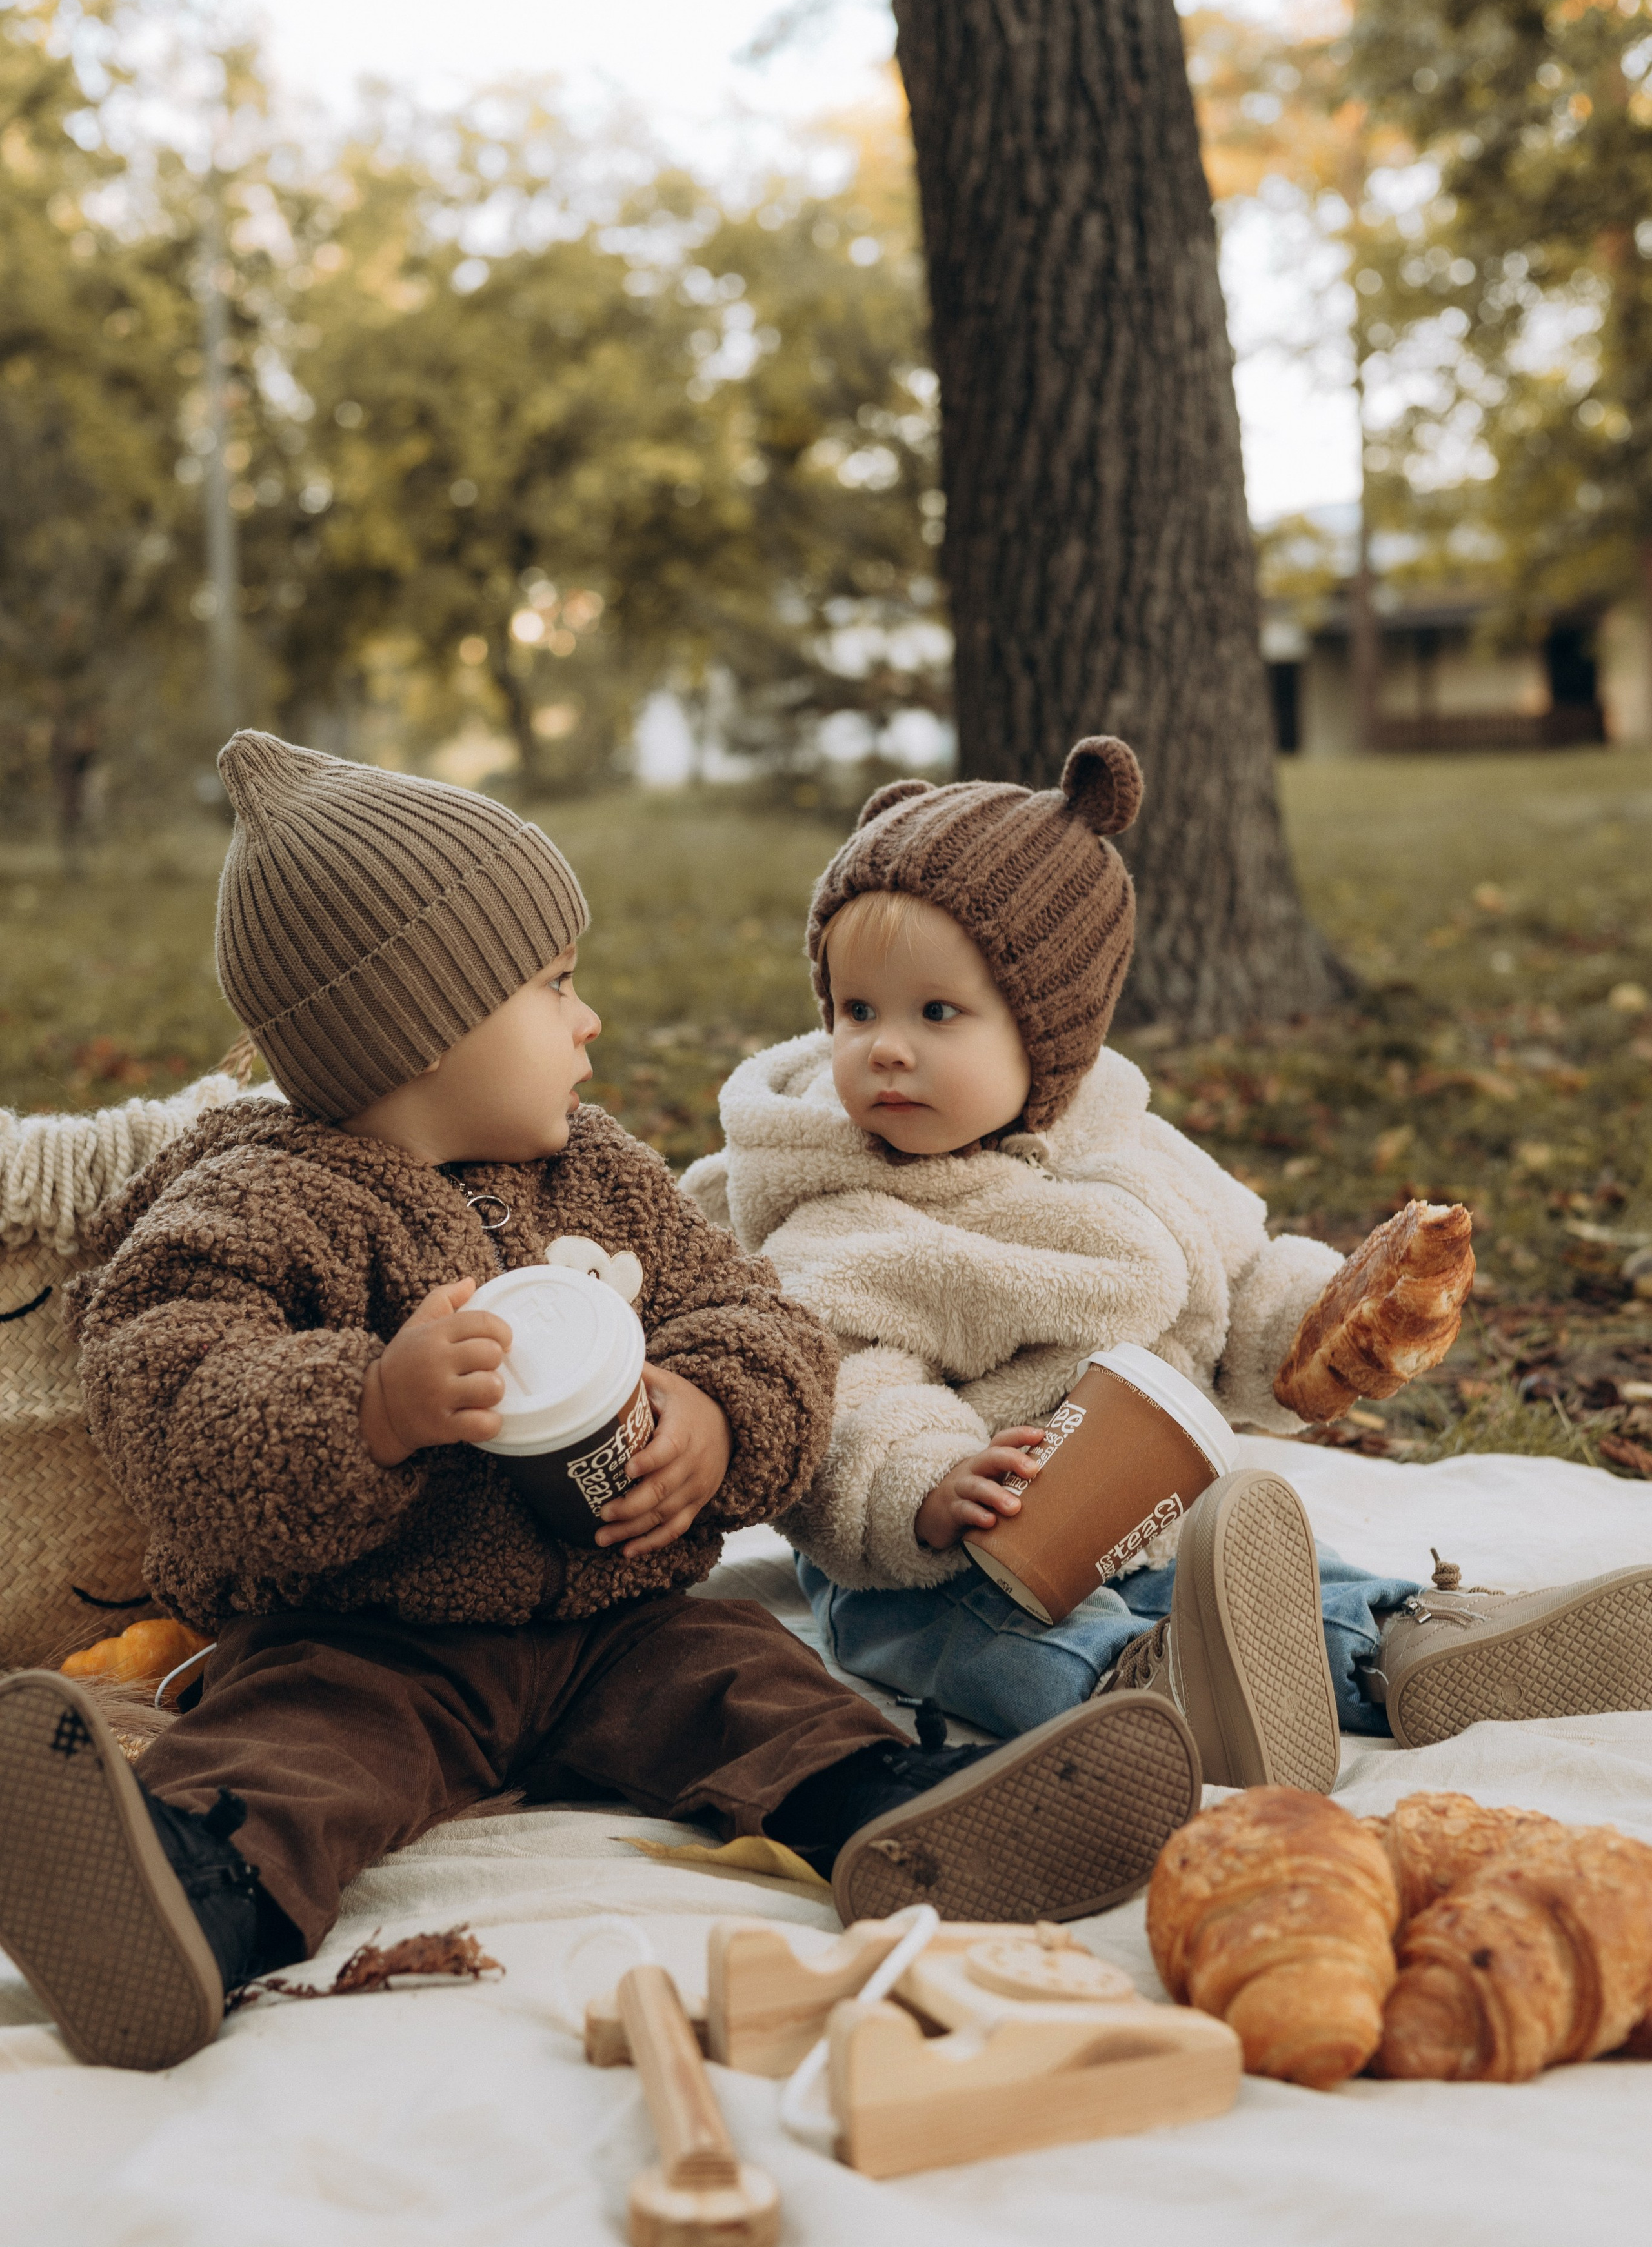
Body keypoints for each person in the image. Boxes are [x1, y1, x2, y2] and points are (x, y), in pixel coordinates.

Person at [0, 733, 1204, 2075]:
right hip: (369, 1638)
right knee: (290, 1761)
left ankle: (900, 1812)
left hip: (616, 1620)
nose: (588, 1023)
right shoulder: (250, 1202)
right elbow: (165, 1395)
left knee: (755, 1686)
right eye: (554, 987)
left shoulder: (597, 1171)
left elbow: (755, 1317)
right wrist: (369, 1406)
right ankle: (177, 1901)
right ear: (421, 1025)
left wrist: (711, 1415)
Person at [683, 739, 1652, 1778]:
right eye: (857, 1011)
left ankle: (1403, 1642)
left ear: (1048, 1036)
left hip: (1134, 1498)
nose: (883, 1048)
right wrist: (925, 1482)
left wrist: (1320, 1330)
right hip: (938, 1537)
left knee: (1237, 1574)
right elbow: (844, 1380)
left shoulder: (1117, 1136)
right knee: (962, 1631)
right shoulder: (842, 1210)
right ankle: (1139, 1693)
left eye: (937, 1014)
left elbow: (1232, 1267)